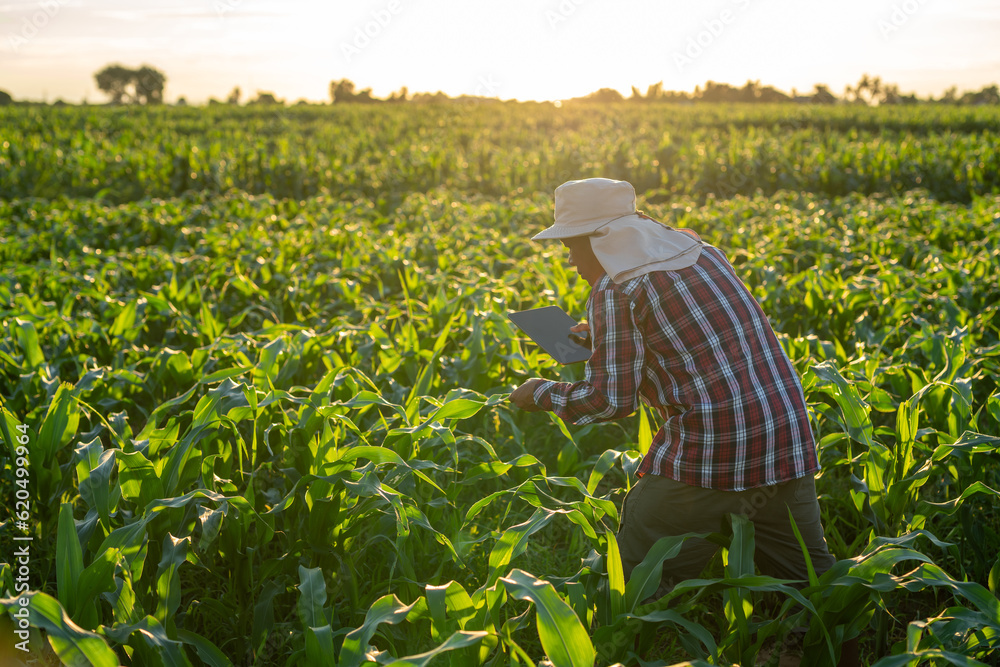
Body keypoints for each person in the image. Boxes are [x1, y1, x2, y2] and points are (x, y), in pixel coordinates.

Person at [510, 178, 850, 663]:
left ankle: (628, 651)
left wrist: (538, 393)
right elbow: (692, 338)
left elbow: (611, 401)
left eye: (569, 247)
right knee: (814, 584)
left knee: (637, 580)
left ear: (598, 240)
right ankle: (837, 652)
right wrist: (602, 338)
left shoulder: (615, 286)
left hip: (709, 451)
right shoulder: (699, 252)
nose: (569, 261)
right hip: (783, 438)